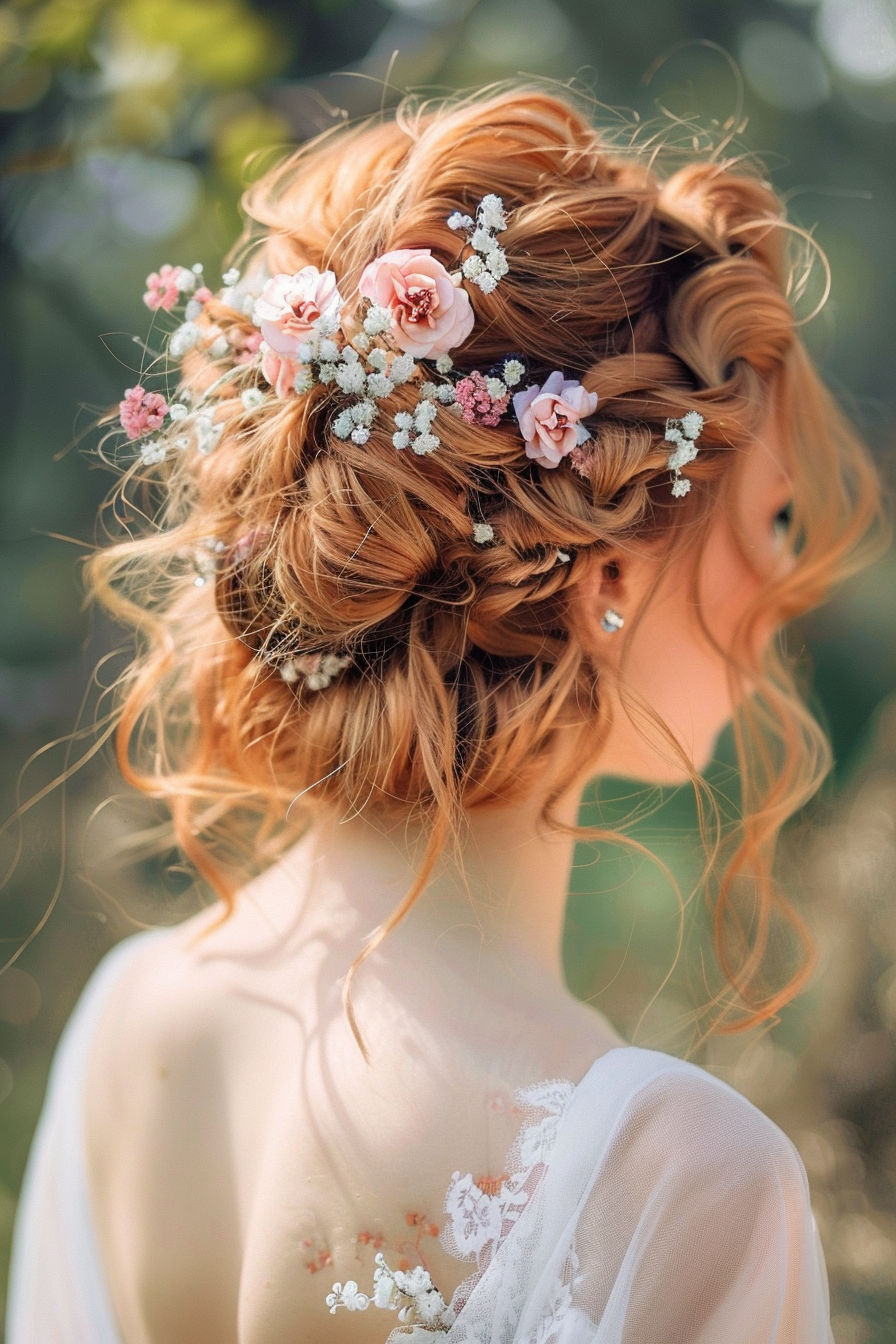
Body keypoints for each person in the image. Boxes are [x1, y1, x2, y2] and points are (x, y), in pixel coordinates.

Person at [5, 88, 881, 1343]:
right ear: (613, 578)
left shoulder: (130, 1018)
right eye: (773, 521)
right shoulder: (679, 1181)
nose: (783, 594)